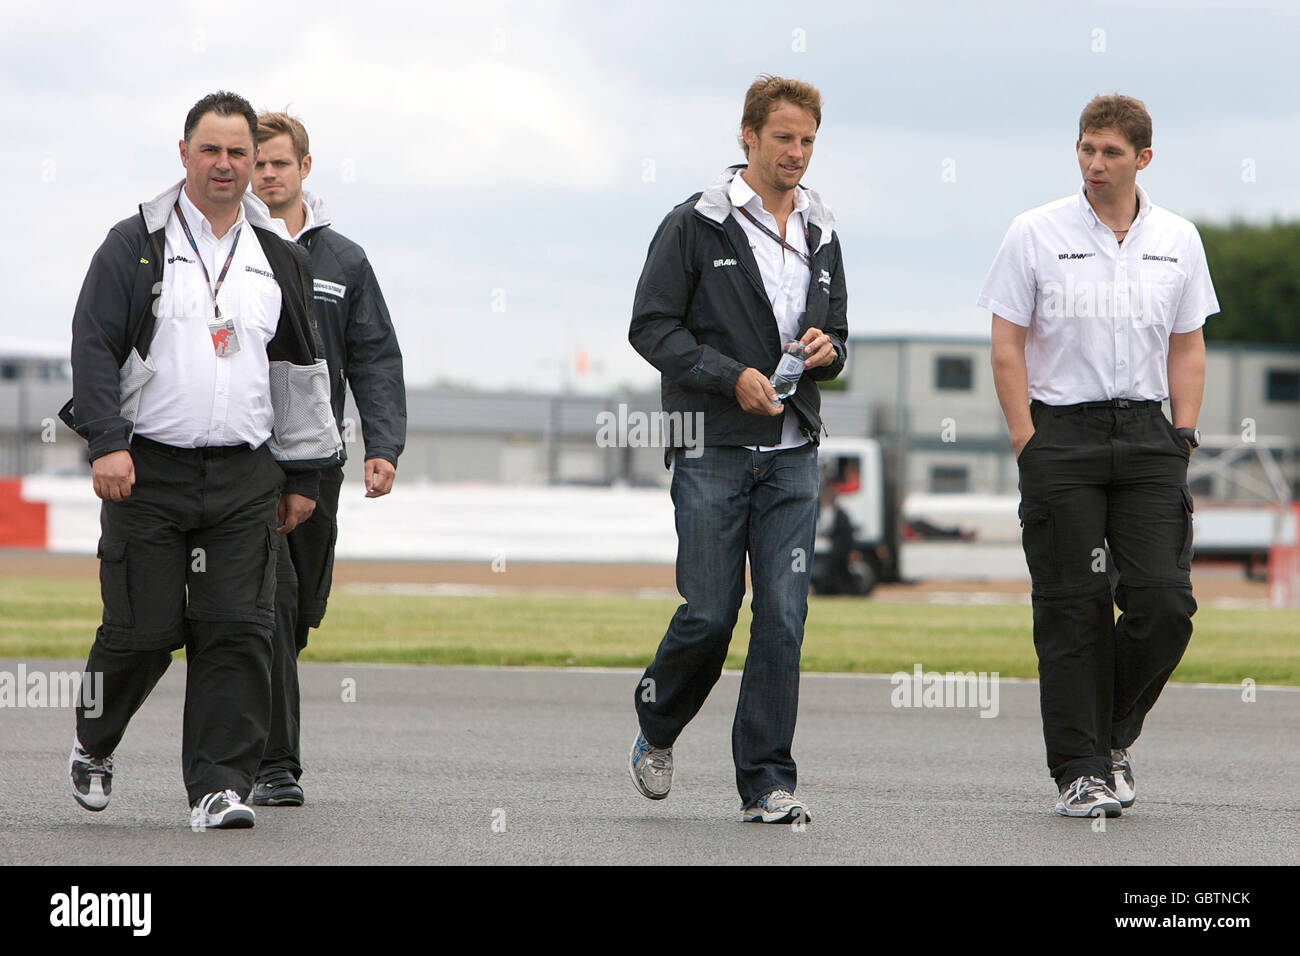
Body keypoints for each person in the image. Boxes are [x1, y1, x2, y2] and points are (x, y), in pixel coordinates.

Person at [66, 91, 342, 830]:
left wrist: (305, 475)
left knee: (239, 629)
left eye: (239, 153)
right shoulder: (134, 244)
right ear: (184, 155)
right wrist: (107, 442)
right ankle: (94, 740)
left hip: (246, 476)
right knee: (144, 630)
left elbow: (300, 374)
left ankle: (220, 787)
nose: (225, 165)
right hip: (148, 469)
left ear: (258, 163)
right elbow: (93, 346)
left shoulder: (279, 257)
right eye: (210, 151)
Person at [979, 93, 1216, 818]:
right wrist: (1028, 442)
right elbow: (1006, 343)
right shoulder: (1035, 233)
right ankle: (1079, 772)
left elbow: (1187, 344)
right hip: (1063, 438)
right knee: (1073, 608)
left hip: (1149, 440)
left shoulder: (1179, 238)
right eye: (1086, 148)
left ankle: (1110, 734)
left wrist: (1182, 436)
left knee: (1164, 603)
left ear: (1143, 158)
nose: (1095, 164)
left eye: (1111, 152)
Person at [627, 75, 848, 824]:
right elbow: (652, 328)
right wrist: (732, 379)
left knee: (783, 617)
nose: (797, 152)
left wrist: (827, 349)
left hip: (793, 453)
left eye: (808, 140)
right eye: (783, 137)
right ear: (747, 137)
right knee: (712, 613)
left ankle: (766, 783)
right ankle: (657, 721)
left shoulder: (822, 227)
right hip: (712, 447)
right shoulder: (694, 224)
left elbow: (839, 334)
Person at [250, 111, 406, 806]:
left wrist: (384, 445)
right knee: (271, 603)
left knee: (301, 606)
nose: (267, 174)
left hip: (319, 459)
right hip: (245, 457)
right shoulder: (230, 247)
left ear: (304, 167)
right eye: (258, 162)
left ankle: (268, 712)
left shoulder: (344, 259)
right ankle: (275, 762)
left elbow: (375, 356)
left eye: (279, 162)